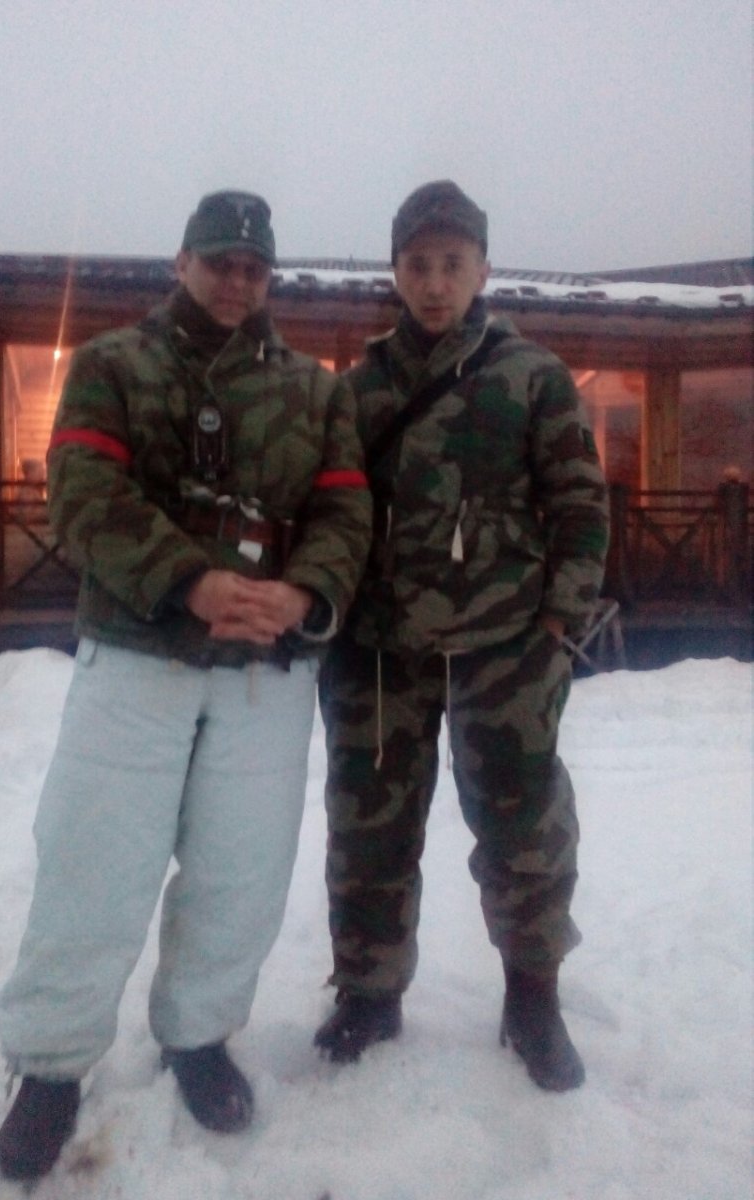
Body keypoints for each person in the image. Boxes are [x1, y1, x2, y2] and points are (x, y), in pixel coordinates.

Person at [0, 190, 371, 1180]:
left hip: (263, 675)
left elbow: (346, 514)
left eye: (253, 268)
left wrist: (304, 594)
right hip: (138, 656)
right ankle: (50, 1062)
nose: (236, 281)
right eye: (219, 262)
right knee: (93, 863)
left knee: (241, 873)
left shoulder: (317, 392)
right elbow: (83, 494)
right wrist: (189, 581)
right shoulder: (113, 364)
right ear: (182, 262)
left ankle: (198, 1036)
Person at [313, 180, 609, 1091]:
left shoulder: (533, 377)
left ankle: (533, 999)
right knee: (369, 828)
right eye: (418, 265)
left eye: (452, 263)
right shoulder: (358, 391)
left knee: (525, 829)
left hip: (504, 649)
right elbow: (328, 511)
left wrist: (557, 624)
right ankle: (369, 993)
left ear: (483, 268)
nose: (435, 283)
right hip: (379, 651)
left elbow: (580, 506)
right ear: (396, 272)